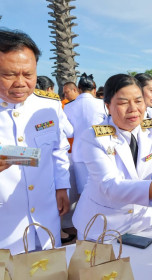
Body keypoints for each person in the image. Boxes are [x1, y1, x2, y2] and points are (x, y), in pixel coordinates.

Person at [72, 74, 152, 240]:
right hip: (102, 227)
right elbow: (110, 186)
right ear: (107, 106)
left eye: (138, 101)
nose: (133, 108)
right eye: (122, 103)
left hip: (141, 223)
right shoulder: (93, 137)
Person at [0, 29, 70, 254]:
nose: (21, 83)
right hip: (6, 224)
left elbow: (59, 148)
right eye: (9, 74)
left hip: (45, 214)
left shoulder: (49, 106)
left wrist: (61, 186)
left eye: (28, 74)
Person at [63, 73, 108, 195]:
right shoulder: (103, 104)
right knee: (104, 190)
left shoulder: (68, 107)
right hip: (101, 151)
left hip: (78, 153)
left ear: (78, 89)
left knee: (84, 193)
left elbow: (69, 133)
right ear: (94, 89)